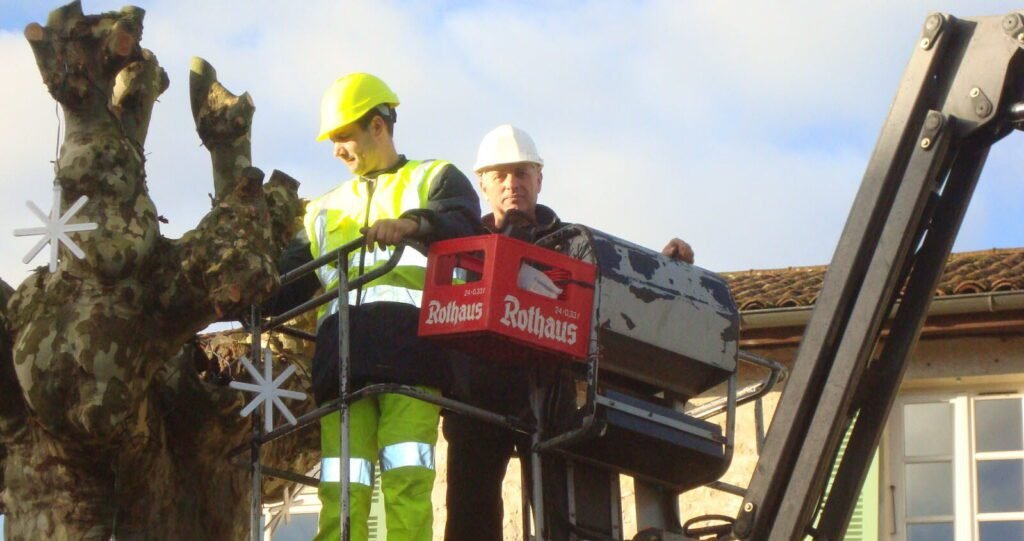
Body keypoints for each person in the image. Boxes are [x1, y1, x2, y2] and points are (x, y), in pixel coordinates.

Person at [443, 124, 693, 541]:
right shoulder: (463, 245)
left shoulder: (573, 243)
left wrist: (664, 264)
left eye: (522, 174)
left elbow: (614, 286)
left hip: (549, 391)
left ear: (539, 179)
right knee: (470, 514)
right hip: (476, 394)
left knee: (562, 513)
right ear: (482, 183)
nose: (512, 185)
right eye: (501, 175)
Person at [274, 73, 480, 541]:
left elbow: (464, 224)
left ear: (378, 127)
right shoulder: (321, 210)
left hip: (411, 357)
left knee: (408, 482)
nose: (336, 150)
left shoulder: (434, 178)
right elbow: (283, 286)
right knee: (340, 490)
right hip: (341, 364)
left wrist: (411, 225)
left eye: (344, 136)